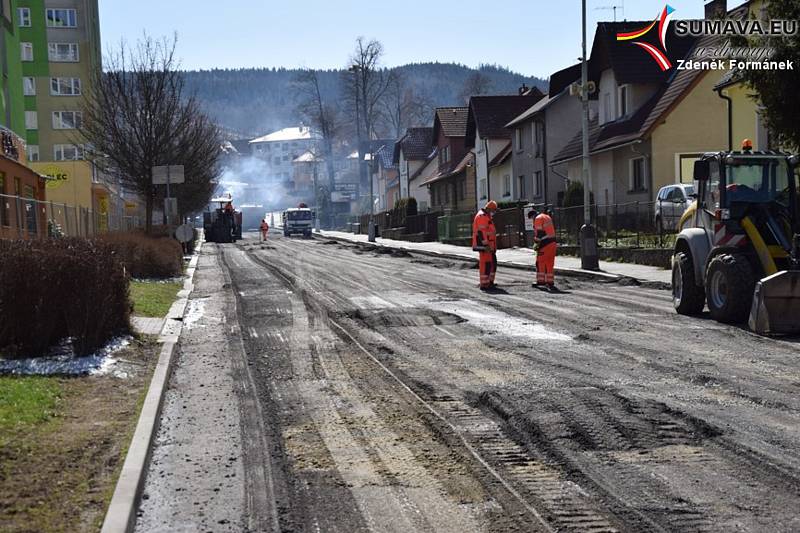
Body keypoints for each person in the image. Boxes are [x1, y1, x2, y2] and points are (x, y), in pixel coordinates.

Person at [472, 200, 498, 290]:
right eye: (493, 210)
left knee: (491, 263)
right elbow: (481, 232)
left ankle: (489, 282)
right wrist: (486, 245)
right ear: (489, 209)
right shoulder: (482, 216)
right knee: (486, 264)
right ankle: (484, 283)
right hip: (484, 246)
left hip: (489, 246)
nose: (494, 212)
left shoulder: (486, 216)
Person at [530, 207, 557, 289]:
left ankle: (541, 281)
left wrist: (536, 244)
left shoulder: (538, 219)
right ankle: (550, 282)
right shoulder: (546, 217)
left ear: (533, 216)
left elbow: (540, 233)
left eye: (531, 218)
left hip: (545, 244)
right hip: (553, 243)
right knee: (549, 263)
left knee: (540, 262)